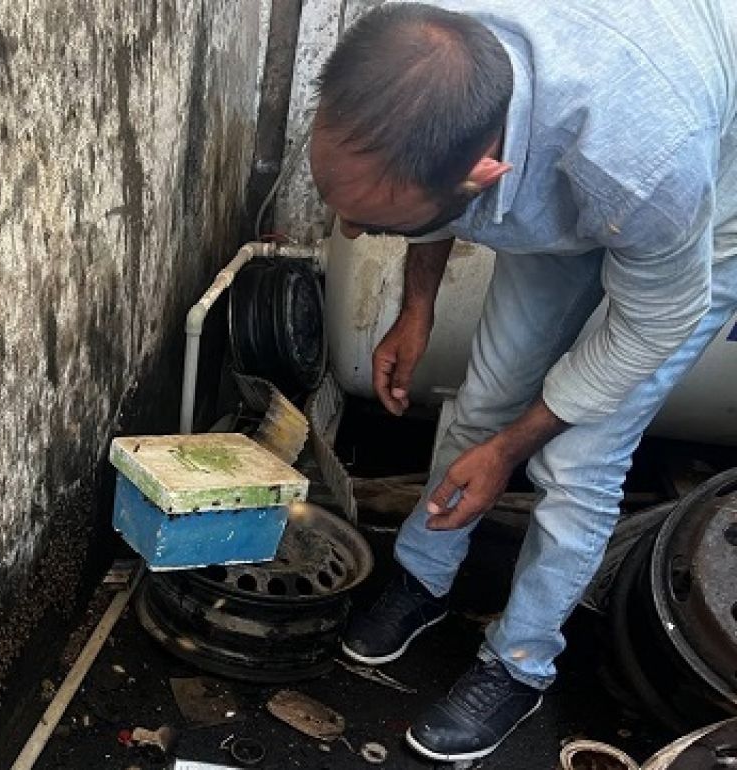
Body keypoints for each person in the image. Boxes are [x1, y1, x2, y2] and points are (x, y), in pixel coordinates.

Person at [309, 0, 737, 762]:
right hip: (574, 161)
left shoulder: (649, 163)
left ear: (485, 171)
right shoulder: (434, 46)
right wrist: (416, 310)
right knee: (485, 397)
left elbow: (651, 325)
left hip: (702, 216)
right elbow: (429, 188)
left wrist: (512, 450)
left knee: (579, 461)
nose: (347, 231)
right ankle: (422, 578)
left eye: (374, 221)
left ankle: (519, 662)